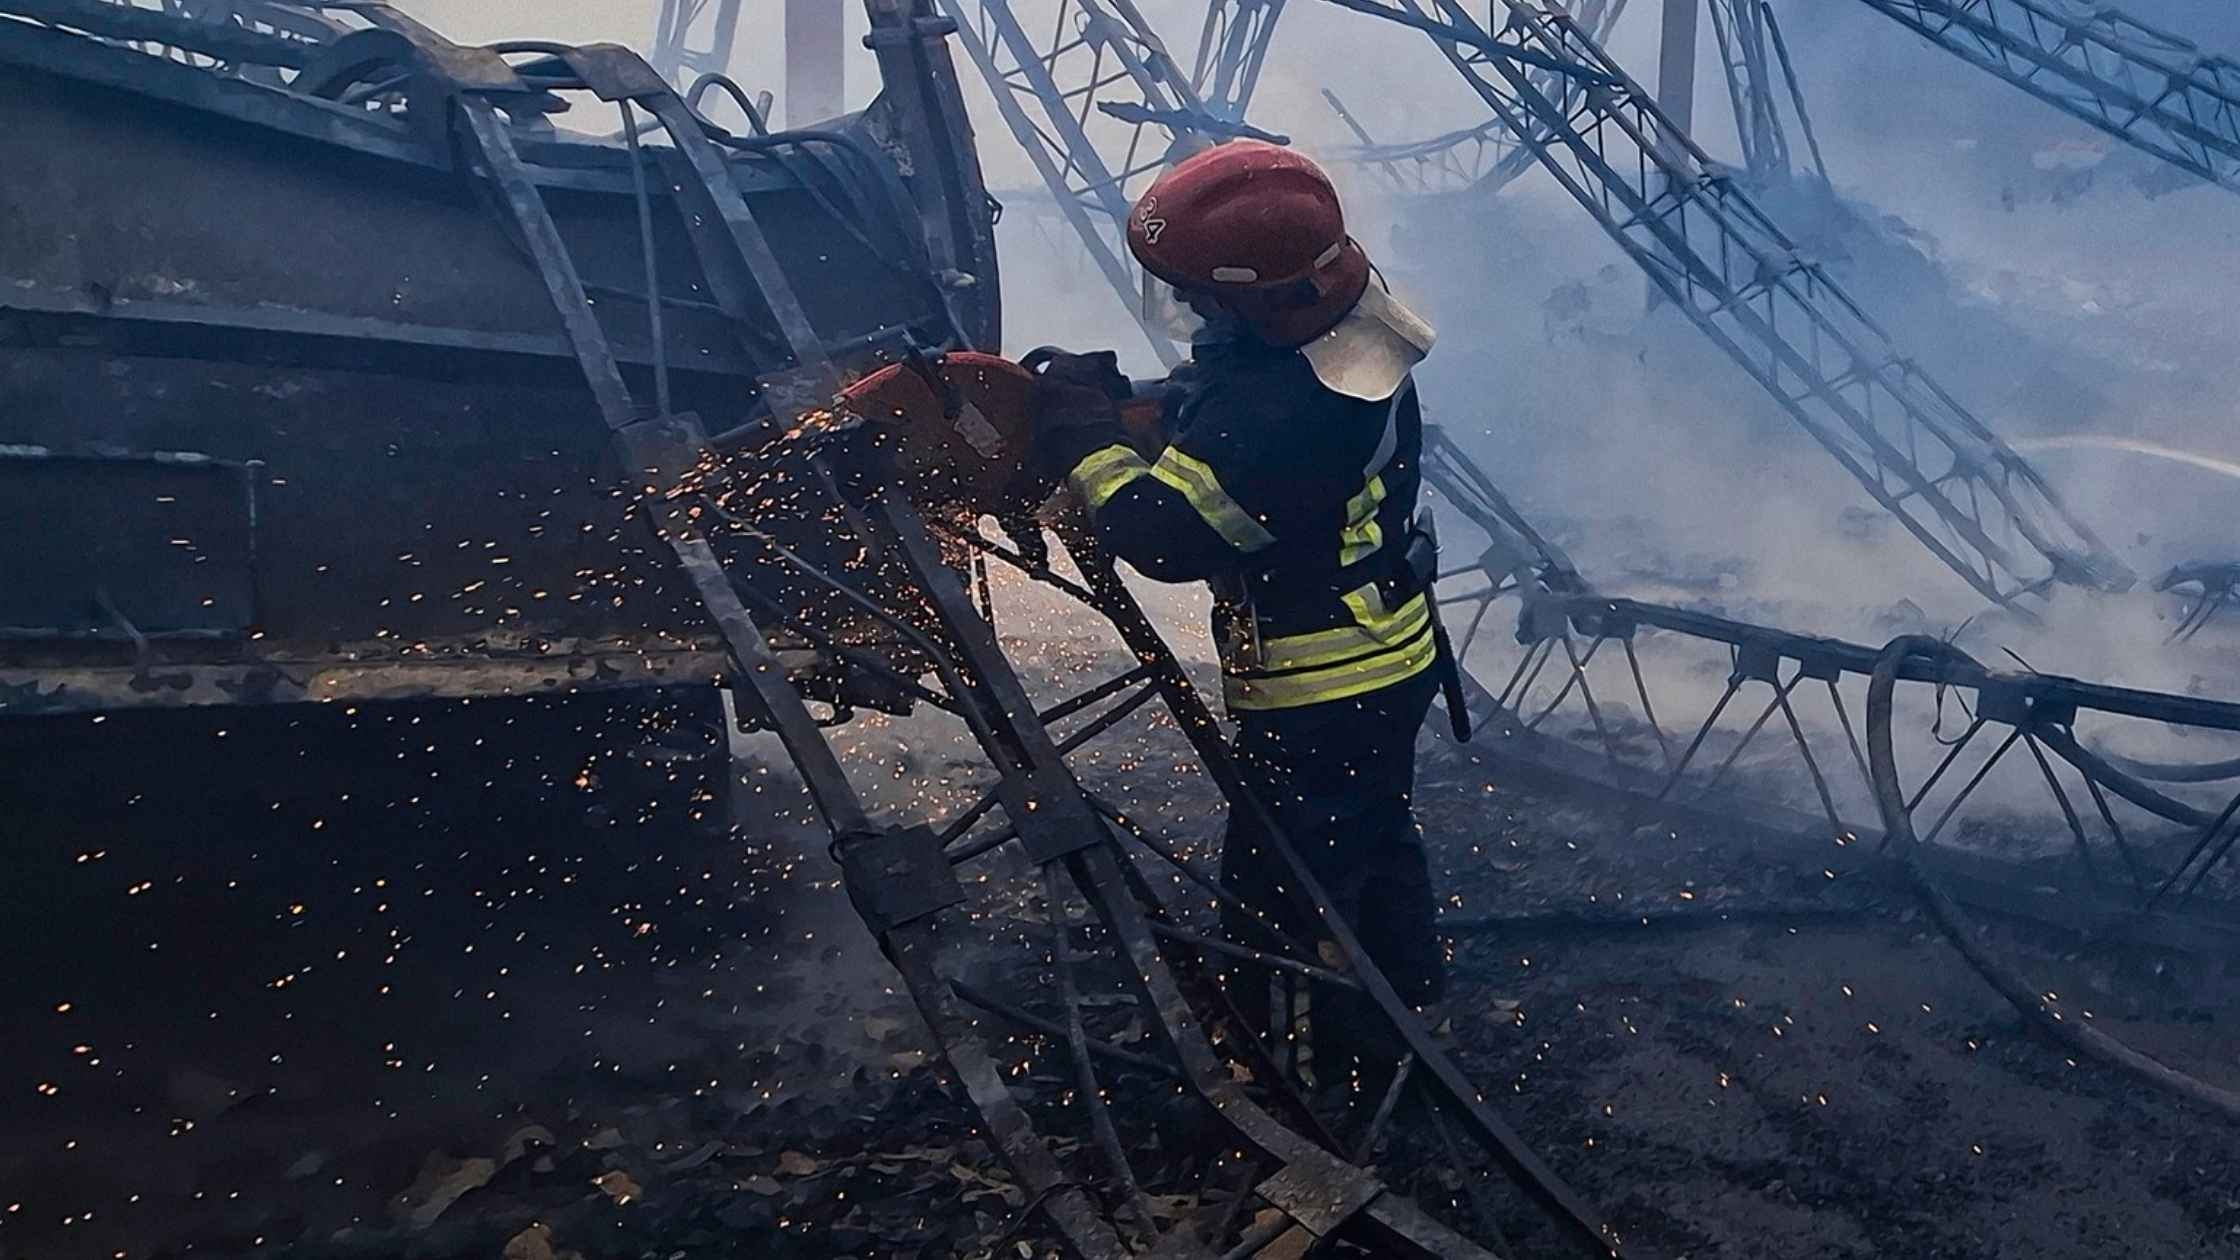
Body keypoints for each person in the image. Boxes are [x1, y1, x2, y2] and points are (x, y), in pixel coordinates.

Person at [1027, 141, 1452, 1072]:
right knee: (1372, 842)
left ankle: (1306, 1072)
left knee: (1281, 885)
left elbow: (1163, 536)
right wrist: (1134, 402)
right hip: (1388, 648)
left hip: (1324, 685)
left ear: (1254, 298)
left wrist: (1084, 436)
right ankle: (1411, 1022)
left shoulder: (1288, 408)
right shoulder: (1331, 320)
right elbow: (1223, 397)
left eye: (1202, 297)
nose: (1190, 316)